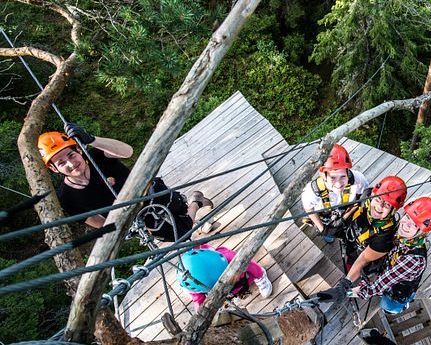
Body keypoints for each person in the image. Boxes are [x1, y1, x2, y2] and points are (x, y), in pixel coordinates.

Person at [37, 123, 213, 241]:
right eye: (61, 163)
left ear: (78, 150)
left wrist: (91, 140)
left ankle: (194, 203)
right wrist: (123, 229)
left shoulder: (97, 157)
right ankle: (196, 201)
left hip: (153, 194)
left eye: (71, 155)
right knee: (179, 236)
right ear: (54, 169)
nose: (71, 163)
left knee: (181, 216)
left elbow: (127, 151)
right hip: (138, 219)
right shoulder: (67, 197)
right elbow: (94, 221)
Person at [319, 197, 431, 315]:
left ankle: (402, 306)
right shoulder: (403, 235)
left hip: (397, 292)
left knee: (387, 306)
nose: (406, 224)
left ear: (423, 233)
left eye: (415, 225)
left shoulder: (413, 260)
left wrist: (344, 292)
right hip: (391, 269)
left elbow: (376, 287)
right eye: (408, 217)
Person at [330, 176, 407, 275]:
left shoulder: (385, 235)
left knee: (355, 266)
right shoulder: (366, 195)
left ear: (394, 210)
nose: (380, 206)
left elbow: (365, 259)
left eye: (387, 205)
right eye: (379, 198)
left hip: (362, 255)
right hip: (350, 239)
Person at [301, 144, 368, 241]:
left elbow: (363, 195)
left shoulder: (358, 179)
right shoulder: (312, 191)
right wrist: (322, 229)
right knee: (330, 234)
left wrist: (346, 217)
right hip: (327, 218)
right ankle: (329, 234)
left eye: (343, 176)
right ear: (324, 176)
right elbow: (309, 209)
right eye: (333, 177)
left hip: (348, 212)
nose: (338, 183)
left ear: (347, 173)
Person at [177, 244, 273, 310]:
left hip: (242, 278)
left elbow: (250, 265)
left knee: (247, 271)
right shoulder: (193, 282)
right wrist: (202, 313)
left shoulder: (228, 258)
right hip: (227, 290)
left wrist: (259, 273)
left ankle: (260, 277)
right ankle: (235, 292)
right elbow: (198, 300)